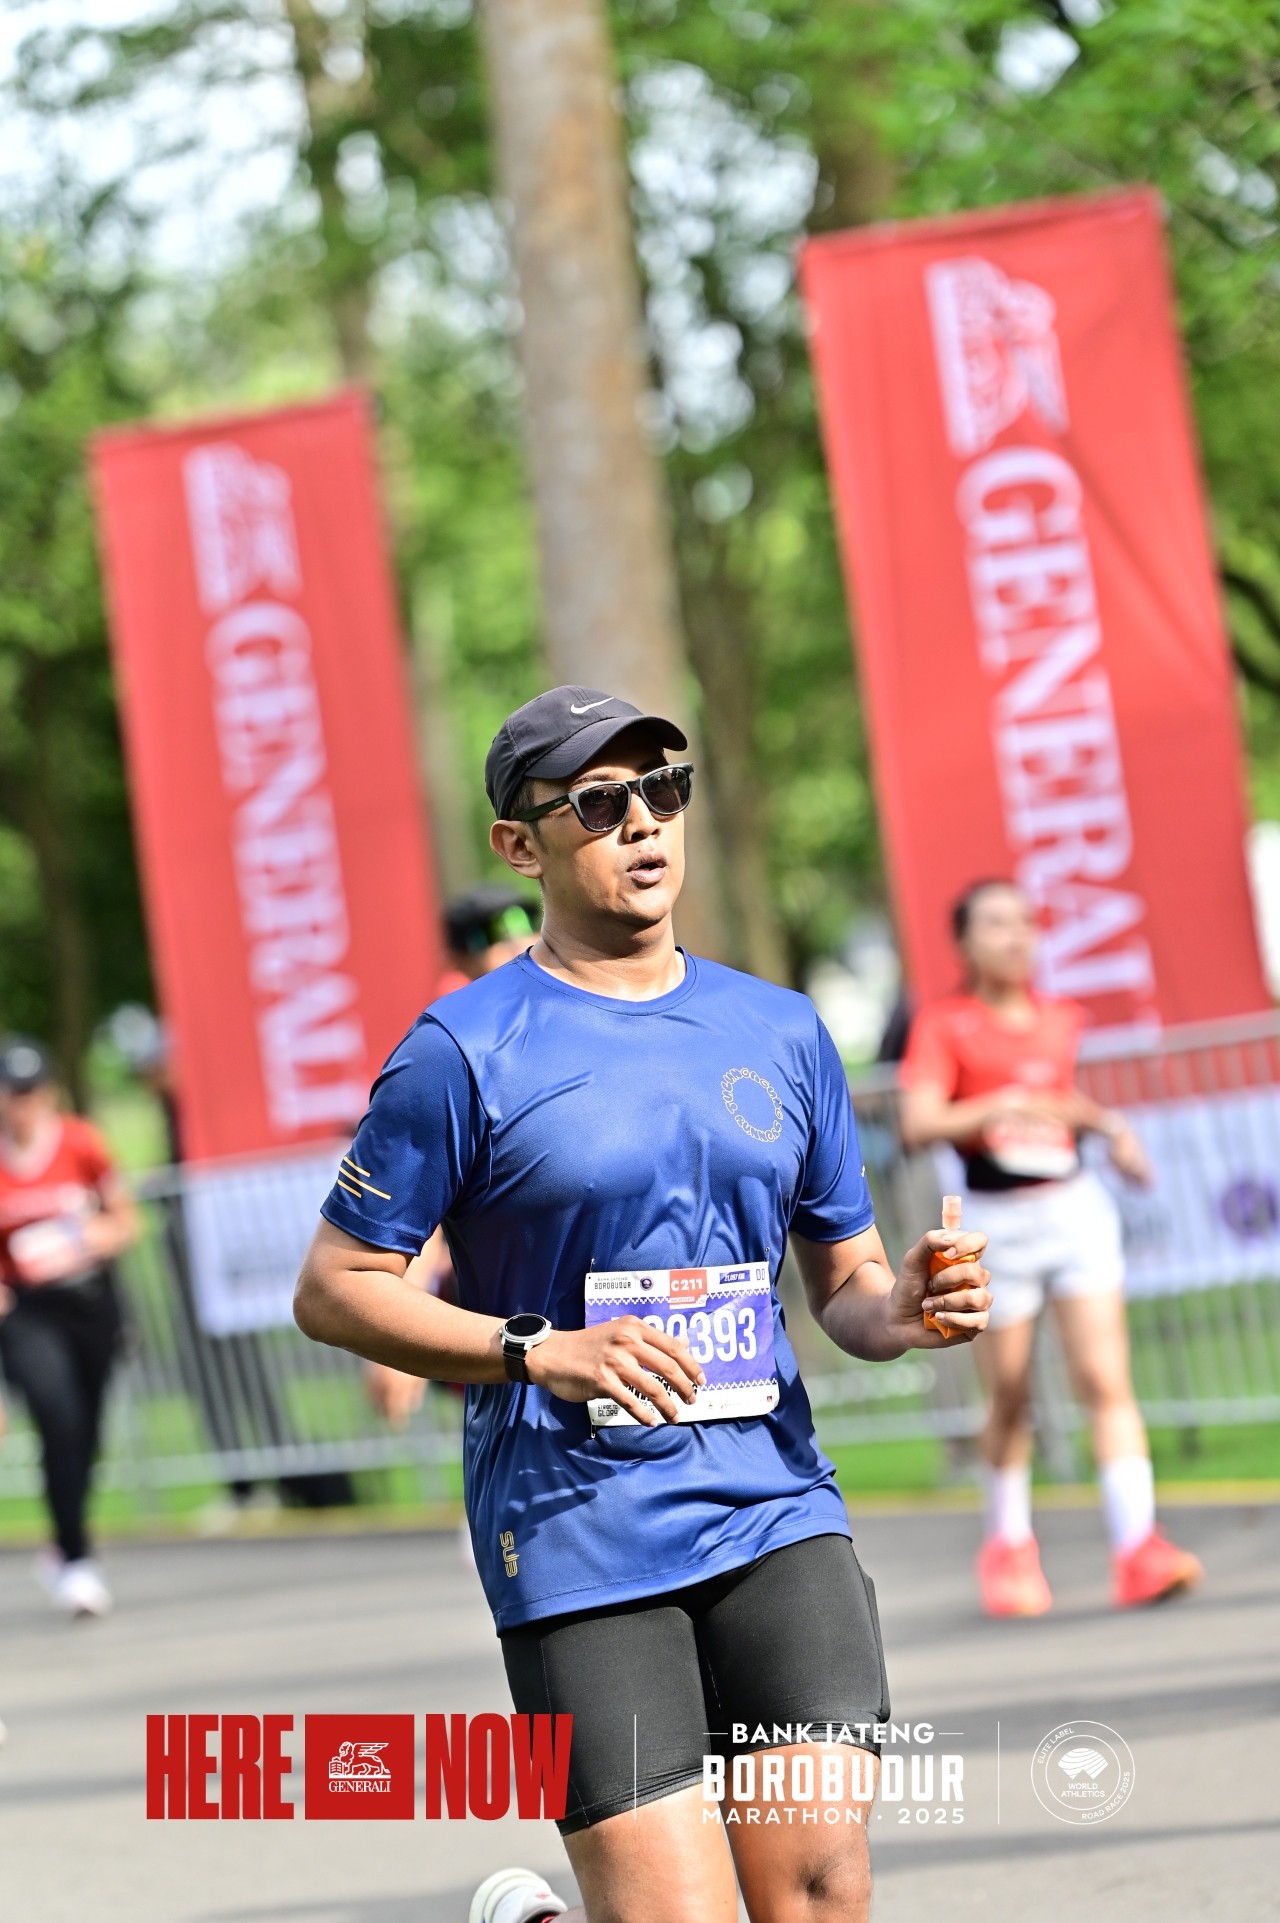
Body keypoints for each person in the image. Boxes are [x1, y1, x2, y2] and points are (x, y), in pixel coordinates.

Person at [295, 686, 991, 1923]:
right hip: (574, 1533)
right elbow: (335, 1288)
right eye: (598, 802)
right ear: (520, 845)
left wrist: (904, 1311)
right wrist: (539, 1349)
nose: (641, 822)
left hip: (771, 1507)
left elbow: (845, 1283)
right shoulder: (461, 1051)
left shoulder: (778, 1029)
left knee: (822, 1888)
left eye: (662, 790)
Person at [897, 878, 1204, 1616]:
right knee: (1011, 1392)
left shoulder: (1060, 1018)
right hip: (995, 1224)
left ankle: (1138, 1548)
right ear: (964, 942)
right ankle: (1008, 1547)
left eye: (1027, 923)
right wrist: (994, 1106)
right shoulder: (946, 1025)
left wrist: (1112, 1130)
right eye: (997, 924)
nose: (1017, 937)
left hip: (1073, 1207)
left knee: (1105, 1377)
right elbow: (917, 1122)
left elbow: (1058, 1103)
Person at [0, 1039, 137, 1616]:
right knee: (57, 1416)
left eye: (32, 1091)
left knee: (87, 1430)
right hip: (26, 1312)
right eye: (13, 1093)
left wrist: (88, 1238)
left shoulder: (80, 1142)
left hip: (89, 1302)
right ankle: (78, 1560)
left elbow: (125, 1220)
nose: (23, 1103)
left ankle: (63, 1541)